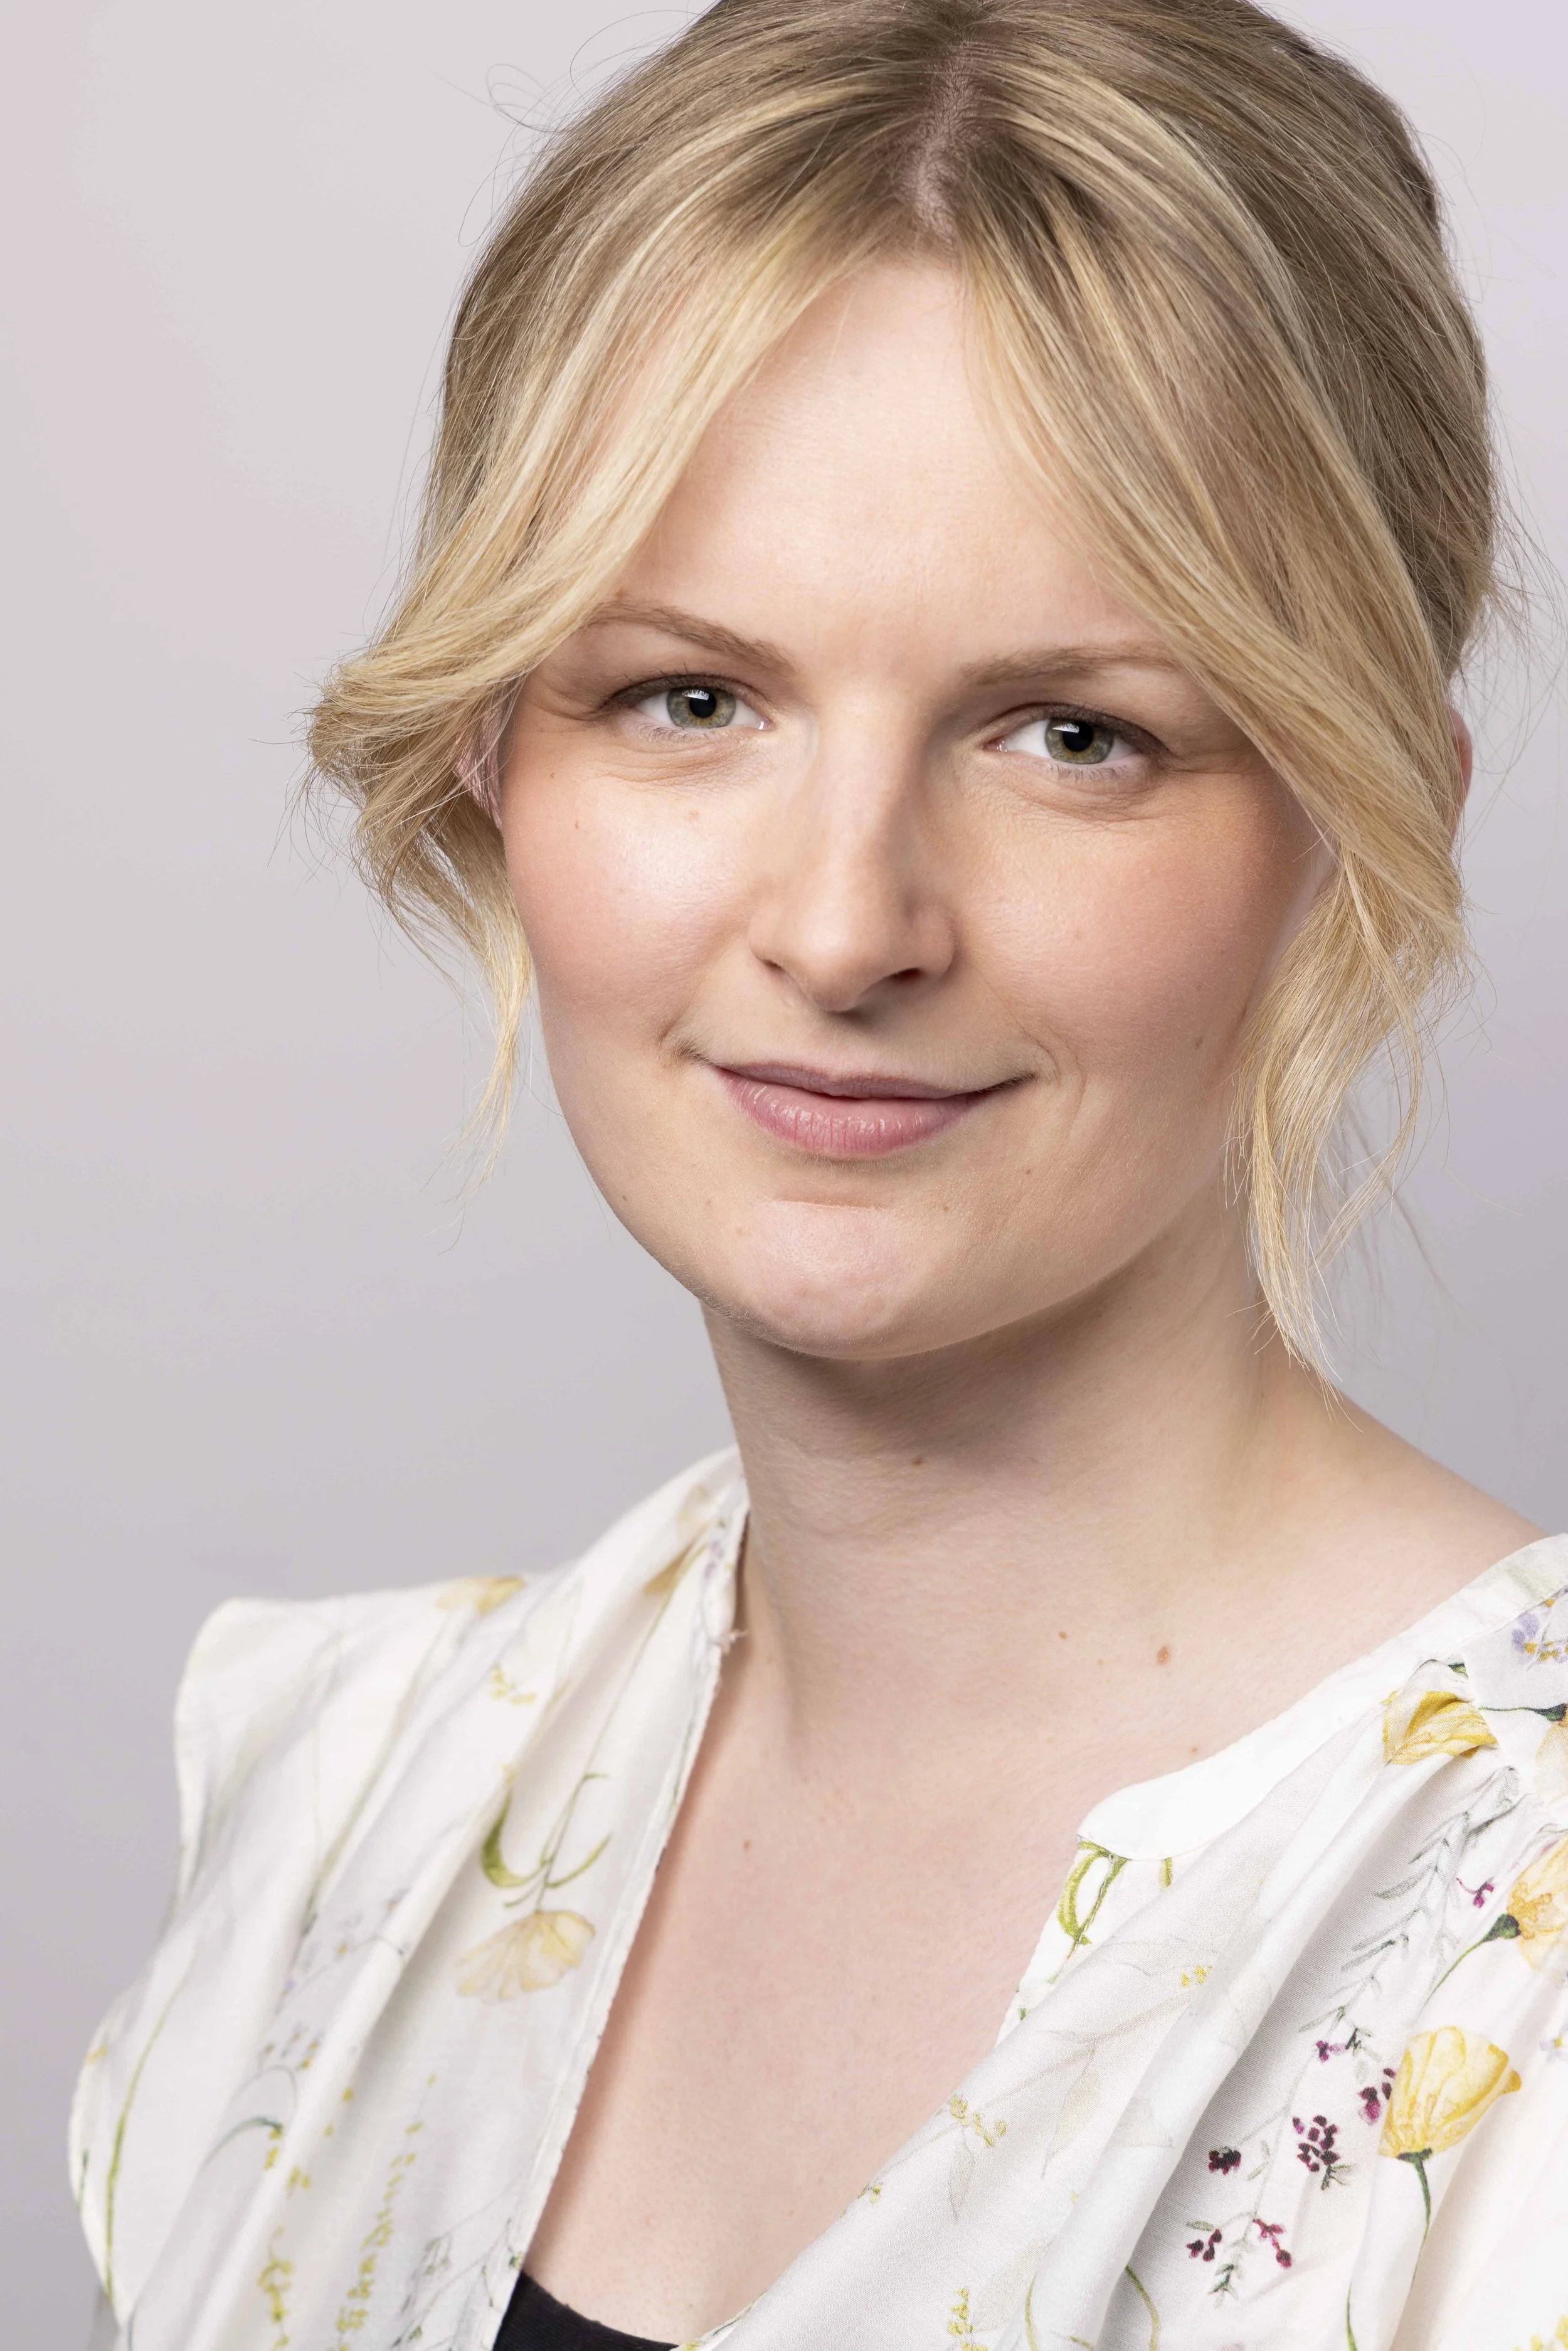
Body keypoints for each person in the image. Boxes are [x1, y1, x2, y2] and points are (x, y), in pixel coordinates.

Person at [71, 1, 1568, 2346]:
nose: (848, 922)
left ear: (1367, 820)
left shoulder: (1525, 1966)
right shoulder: (342, 1800)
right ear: (490, 744)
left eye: (1075, 735)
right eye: (689, 697)